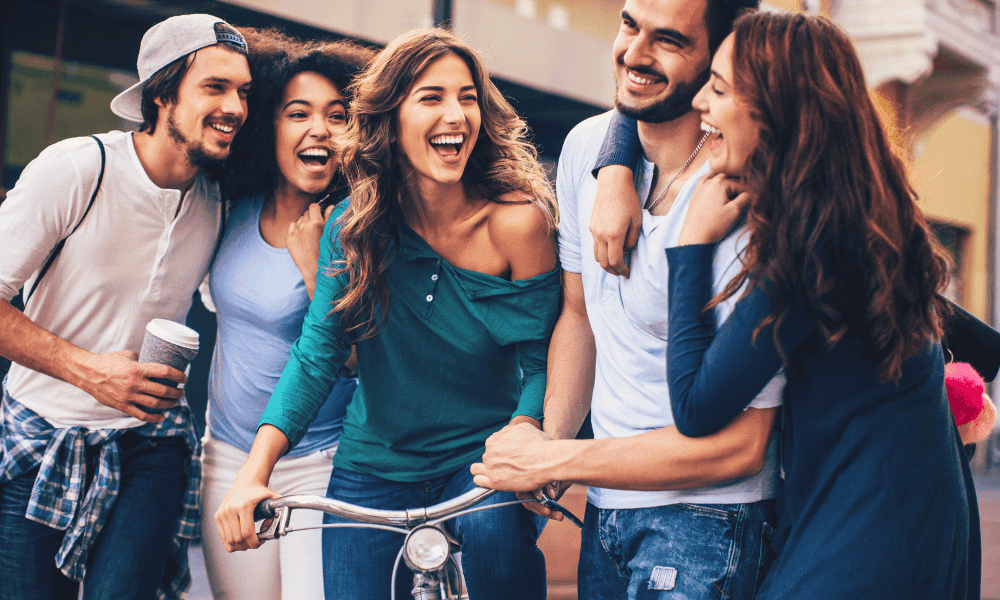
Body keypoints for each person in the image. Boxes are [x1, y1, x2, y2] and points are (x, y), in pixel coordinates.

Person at [214, 28, 560, 600]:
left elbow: (544, 358)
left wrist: (525, 431)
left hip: (481, 460)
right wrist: (255, 473)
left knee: (502, 562)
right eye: (432, 97)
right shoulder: (351, 227)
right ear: (391, 119)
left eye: (468, 97)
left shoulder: (518, 223)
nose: (456, 115)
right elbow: (318, 353)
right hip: (371, 464)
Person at [473, 1, 780, 598]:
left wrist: (557, 461)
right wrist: (551, 443)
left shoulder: (745, 191)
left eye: (668, 40)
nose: (634, 53)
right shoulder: (589, 147)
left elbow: (745, 446)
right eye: (629, 24)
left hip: (710, 521)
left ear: (722, 58)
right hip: (608, 511)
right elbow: (580, 316)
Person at [662, 12, 973, 598]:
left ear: (776, 112)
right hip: (908, 517)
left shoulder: (813, 247)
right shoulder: (860, 216)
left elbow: (697, 408)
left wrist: (689, 249)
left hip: (865, 538)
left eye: (721, 88)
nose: (701, 98)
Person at [0, 14, 250, 600]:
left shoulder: (216, 199)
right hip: (41, 438)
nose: (236, 106)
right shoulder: (77, 169)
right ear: (161, 94)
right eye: (214, 87)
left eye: (243, 91)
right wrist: (88, 371)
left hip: (151, 443)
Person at [198, 29, 374, 600]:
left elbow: (365, 360)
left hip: (320, 465)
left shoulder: (362, 229)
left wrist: (312, 268)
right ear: (270, 125)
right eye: (298, 113)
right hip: (225, 455)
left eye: (338, 115)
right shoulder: (231, 208)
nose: (318, 129)